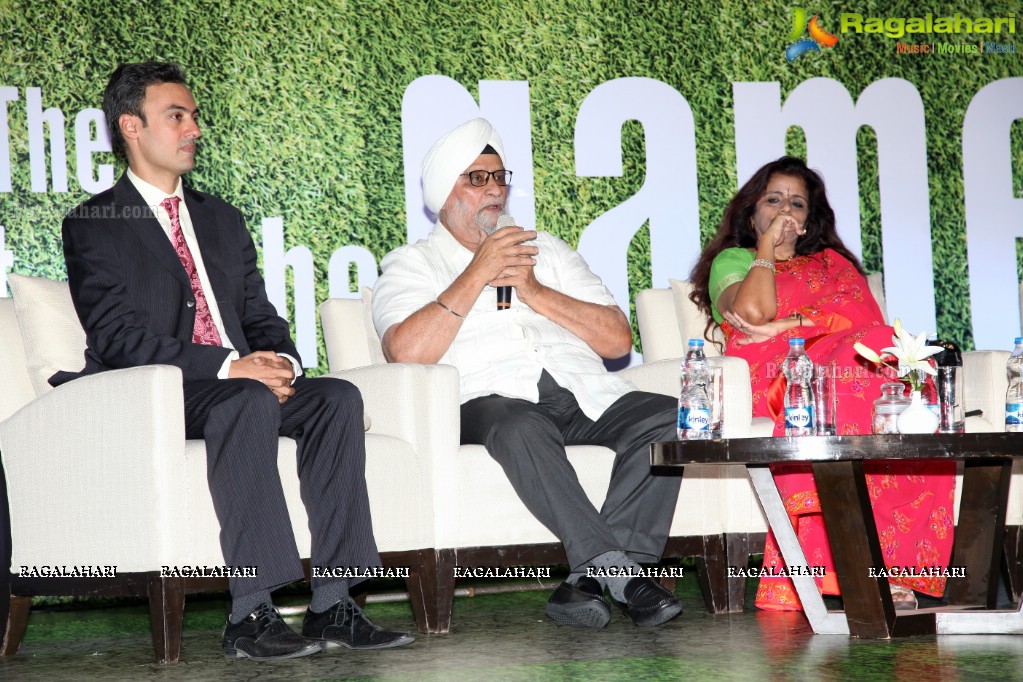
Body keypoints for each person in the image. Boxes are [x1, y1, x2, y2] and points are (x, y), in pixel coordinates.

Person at [59, 62, 413, 660]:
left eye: (195, 115)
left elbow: (259, 313)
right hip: (160, 391)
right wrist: (231, 368)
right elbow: (119, 338)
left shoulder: (220, 217)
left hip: (241, 383)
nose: (194, 127)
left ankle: (335, 604)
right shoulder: (95, 224)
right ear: (131, 126)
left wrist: (281, 363)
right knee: (245, 398)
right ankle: (251, 612)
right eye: (177, 116)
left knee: (336, 398)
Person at [372, 118, 683, 629]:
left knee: (673, 420)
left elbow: (617, 340)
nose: (494, 189)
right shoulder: (412, 264)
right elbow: (406, 350)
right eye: (477, 179)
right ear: (444, 195)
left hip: (583, 393)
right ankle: (620, 572)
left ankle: (589, 580)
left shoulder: (550, 251)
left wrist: (534, 290)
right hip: (487, 400)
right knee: (520, 425)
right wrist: (479, 270)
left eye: (499, 177)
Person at [688, 156, 955, 611]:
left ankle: (888, 567)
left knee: (897, 371)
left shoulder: (833, 265)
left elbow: (866, 328)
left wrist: (789, 321)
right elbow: (752, 316)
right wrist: (768, 250)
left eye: (797, 203)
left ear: (811, 220)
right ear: (751, 212)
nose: (786, 211)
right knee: (850, 379)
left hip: (846, 363)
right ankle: (849, 569)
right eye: (773, 201)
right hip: (773, 373)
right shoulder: (732, 261)